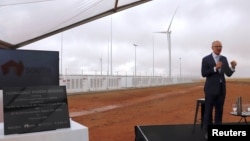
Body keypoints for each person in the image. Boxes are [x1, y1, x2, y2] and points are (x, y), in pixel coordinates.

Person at [201, 40, 237, 139]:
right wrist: (214, 68)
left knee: (219, 111)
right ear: (212, 48)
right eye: (217, 46)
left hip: (221, 90)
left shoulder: (224, 59)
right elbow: (203, 73)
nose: (219, 48)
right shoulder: (206, 59)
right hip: (210, 89)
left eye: (220, 46)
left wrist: (233, 67)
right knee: (208, 112)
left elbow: (228, 74)